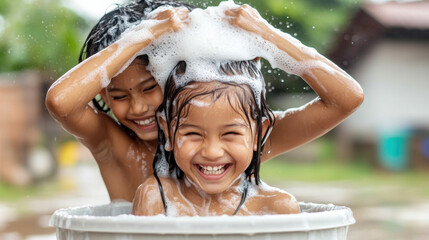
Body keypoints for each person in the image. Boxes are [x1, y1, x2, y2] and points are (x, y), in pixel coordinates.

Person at [46, 1, 363, 203]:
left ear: (176, 79)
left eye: (149, 87)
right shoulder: (113, 146)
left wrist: (268, 36)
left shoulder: (240, 135)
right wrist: (139, 38)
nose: (139, 107)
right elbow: (61, 102)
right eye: (119, 96)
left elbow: (346, 99)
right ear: (103, 95)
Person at [132, 60, 301, 216]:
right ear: (168, 131)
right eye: (193, 134)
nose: (212, 152)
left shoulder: (276, 207)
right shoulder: (157, 198)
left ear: (258, 134)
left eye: (230, 134)